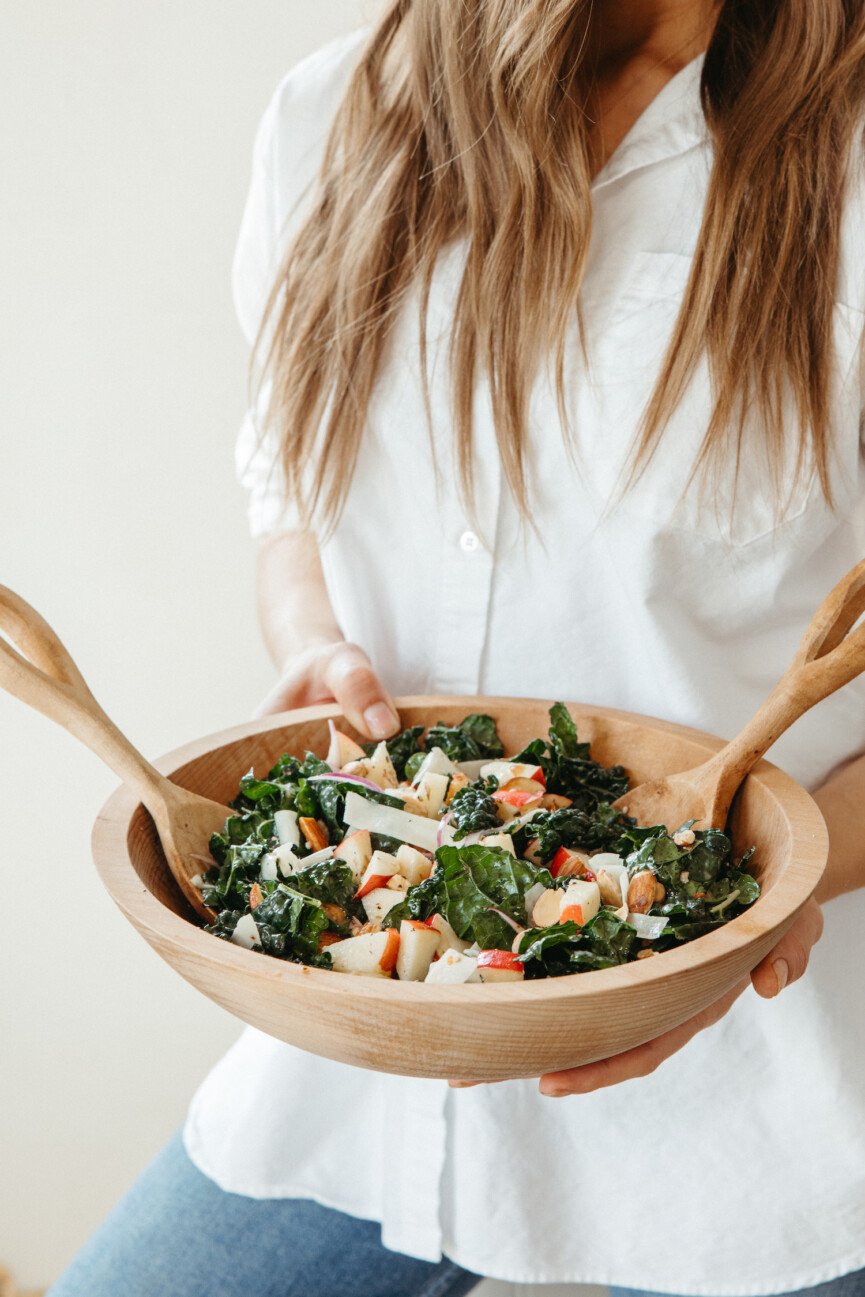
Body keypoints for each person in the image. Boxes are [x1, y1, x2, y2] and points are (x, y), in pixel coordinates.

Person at [49, 1, 865, 1294]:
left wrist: (744, 912)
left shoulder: (846, 155)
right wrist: (315, 640)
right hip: (355, 1053)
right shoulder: (335, 113)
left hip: (771, 1092)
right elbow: (294, 509)